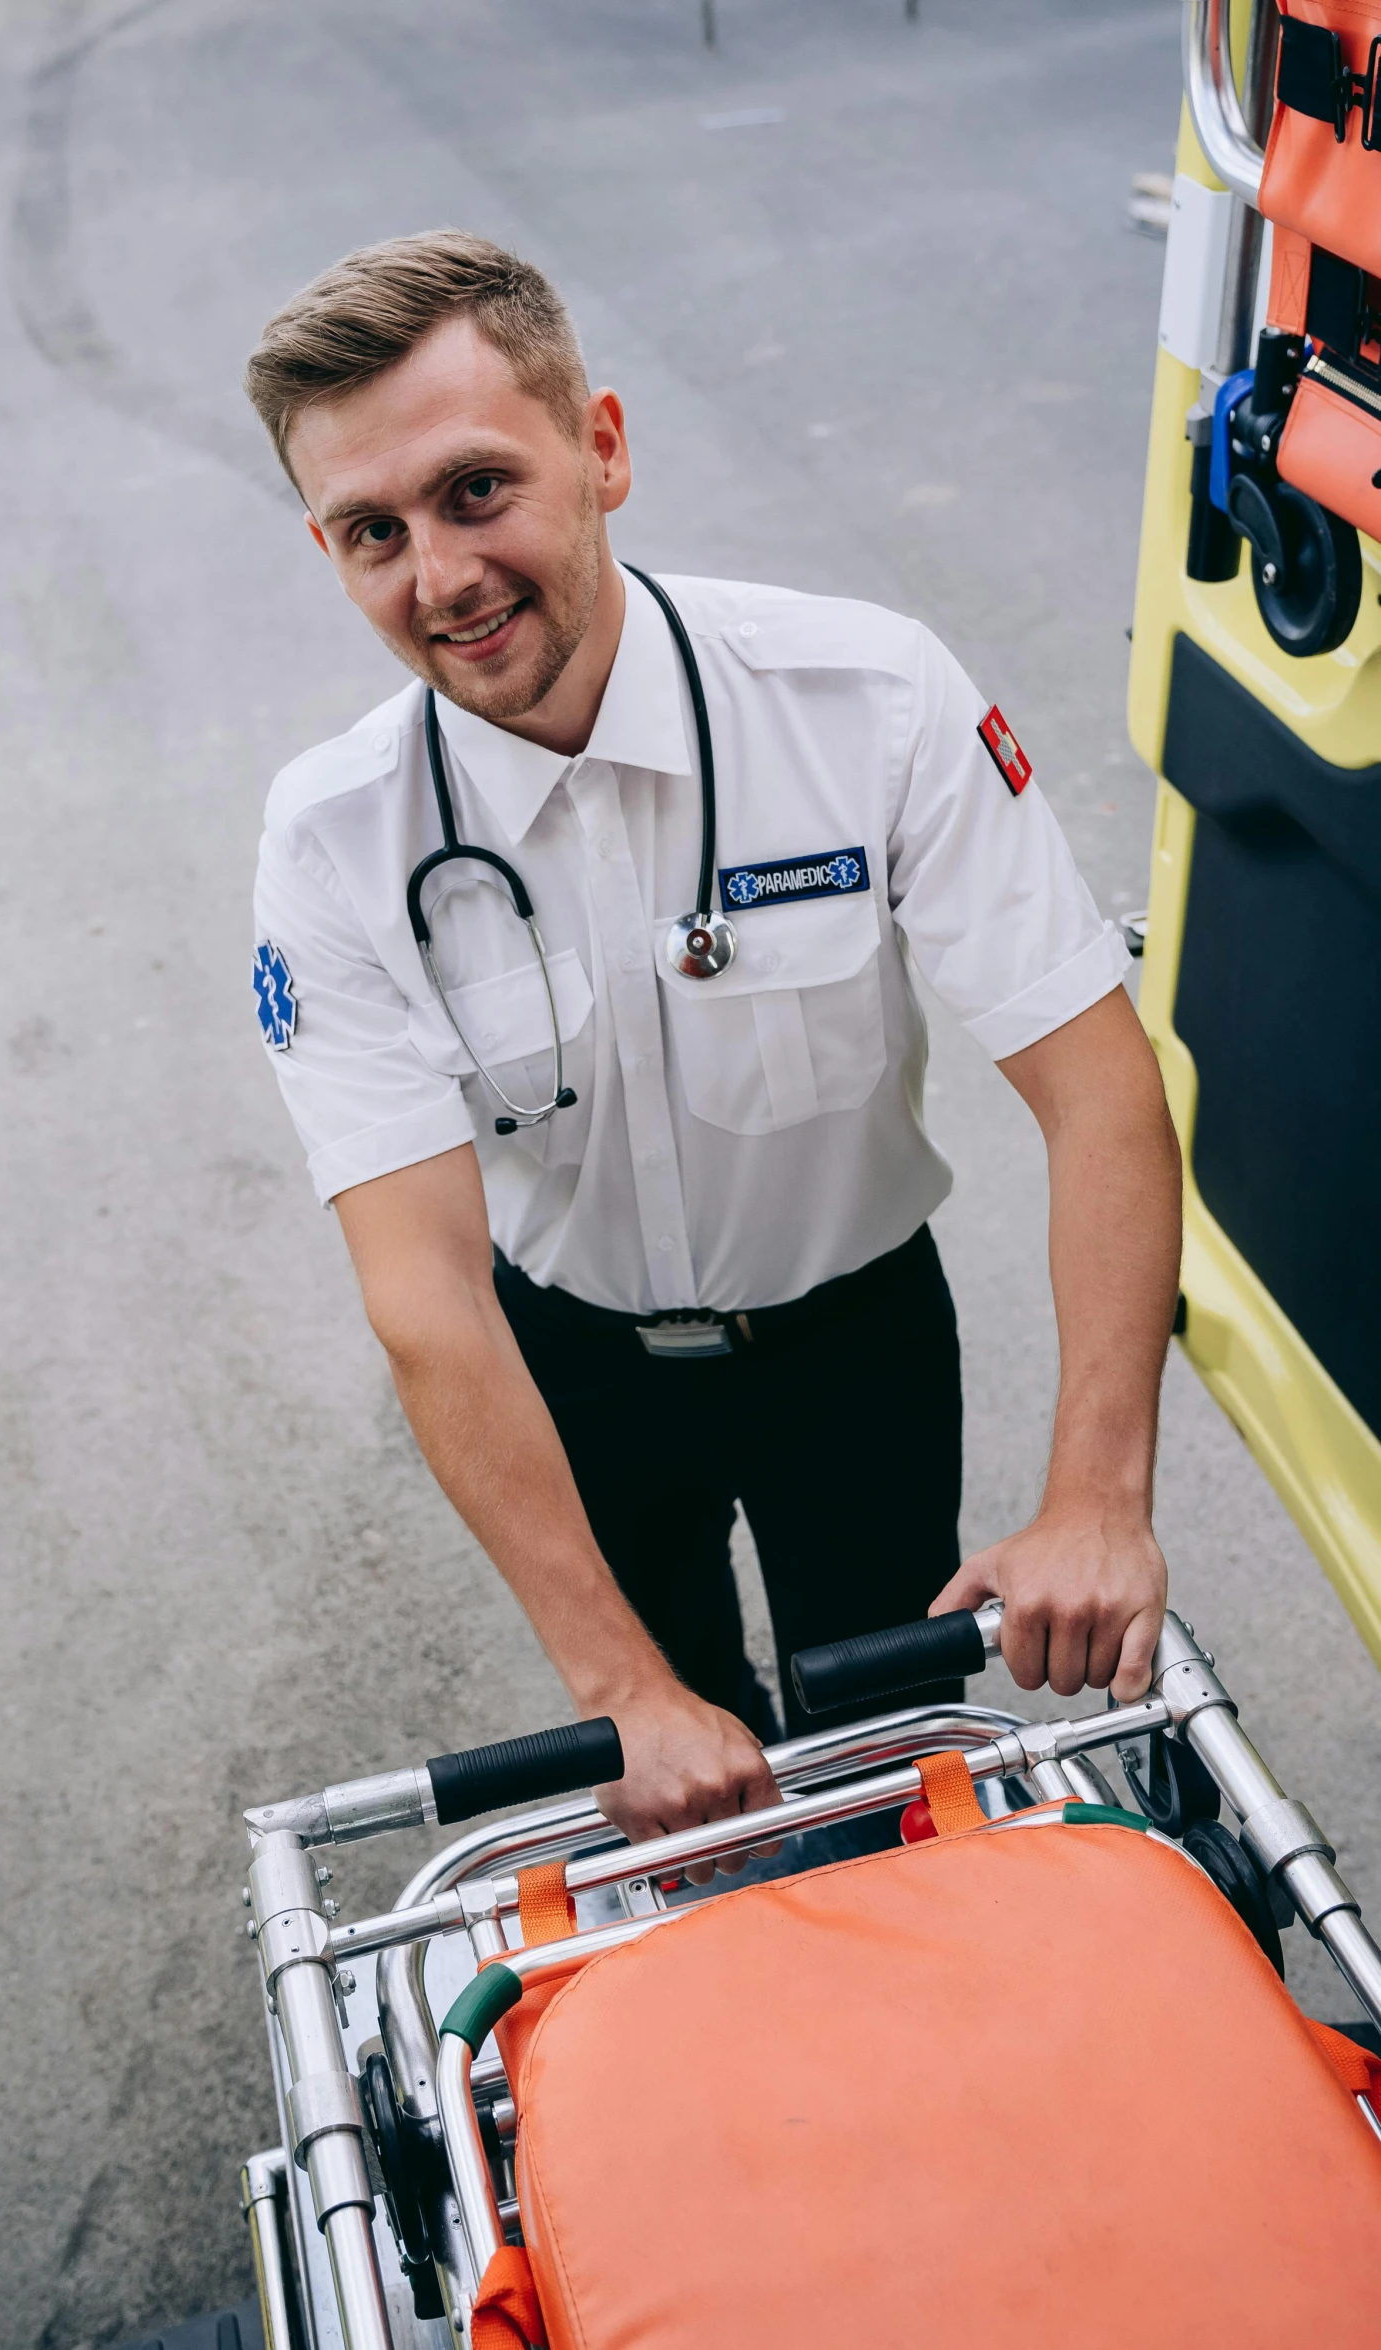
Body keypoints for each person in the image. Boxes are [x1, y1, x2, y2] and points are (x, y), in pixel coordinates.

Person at [241, 229, 1182, 1855]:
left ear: (601, 447)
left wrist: (1096, 1498)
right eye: (370, 531)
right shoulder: (332, 840)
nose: (440, 576)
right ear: (325, 548)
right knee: (689, 1802)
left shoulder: (864, 700)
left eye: (477, 491)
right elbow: (424, 1291)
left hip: (854, 1348)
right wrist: (620, 1686)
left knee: (891, 1777)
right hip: (575, 1367)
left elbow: (1095, 1089)